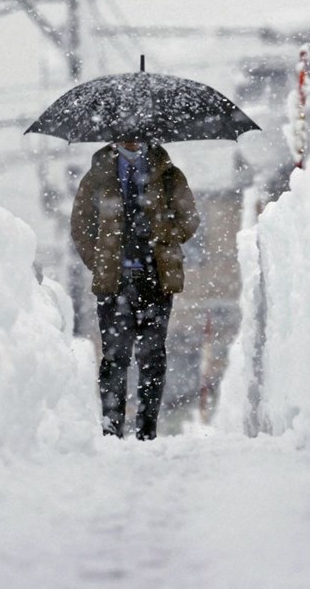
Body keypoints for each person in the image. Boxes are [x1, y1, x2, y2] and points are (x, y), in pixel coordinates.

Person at [71, 139, 199, 440]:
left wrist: (165, 234)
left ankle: (146, 430)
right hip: (114, 282)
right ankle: (112, 428)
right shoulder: (97, 177)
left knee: (152, 357)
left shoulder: (169, 175)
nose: (132, 137)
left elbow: (189, 220)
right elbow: (81, 226)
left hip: (156, 278)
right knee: (115, 358)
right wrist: (100, 260)